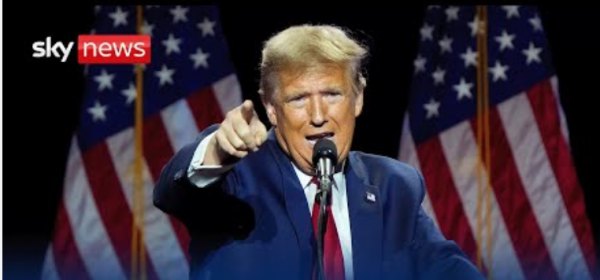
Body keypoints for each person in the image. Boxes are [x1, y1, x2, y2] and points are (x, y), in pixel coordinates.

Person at [153, 24, 484, 280]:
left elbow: (444, 266)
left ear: (358, 99)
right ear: (270, 107)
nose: (317, 115)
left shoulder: (394, 186)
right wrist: (217, 150)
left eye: (332, 94)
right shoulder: (238, 176)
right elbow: (172, 193)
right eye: (298, 98)